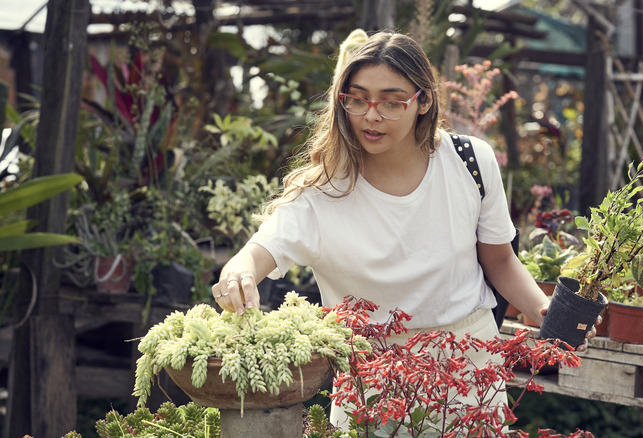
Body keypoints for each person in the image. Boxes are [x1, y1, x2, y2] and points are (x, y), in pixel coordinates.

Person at [212, 29, 595, 429]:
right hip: (372, 384)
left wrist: (543, 310)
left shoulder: (470, 162)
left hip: (467, 374)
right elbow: (259, 251)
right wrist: (239, 273)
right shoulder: (321, 191)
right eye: (356, 99)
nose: (371, 115)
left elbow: (499, 259)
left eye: (392, 102)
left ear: (424, 101)